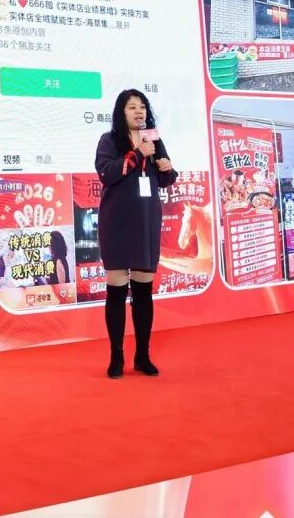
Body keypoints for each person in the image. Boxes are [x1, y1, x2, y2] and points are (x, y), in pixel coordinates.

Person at [94, 89, 177, 379]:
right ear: (121, 112)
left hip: (146, 220)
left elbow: (165, 179)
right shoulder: (109, 140)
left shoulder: (153, 137)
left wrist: (167, 168)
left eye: (142, 107)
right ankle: (116, 356)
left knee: (143, 290)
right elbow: (107, 173)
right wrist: (137, 153)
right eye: (132, 107)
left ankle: (143, 355)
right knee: (116, 291)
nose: (139, 111)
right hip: (116, 222)